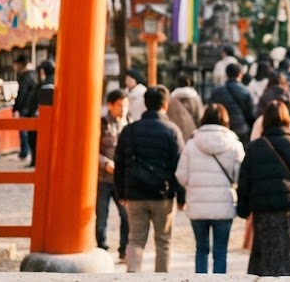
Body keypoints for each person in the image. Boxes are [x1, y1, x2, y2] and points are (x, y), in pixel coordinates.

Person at [236, 100, 290, 276]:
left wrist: (243, 208)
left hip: (262, 211)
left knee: (264, 259)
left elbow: (244, 181)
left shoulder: (255, 147)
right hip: (287, 209)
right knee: (288, 260)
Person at [114, 85, 185, 273]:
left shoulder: (129, 131)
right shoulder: (172, 131)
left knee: (136, 239)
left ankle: (133, 276)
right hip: (163, 193)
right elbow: (179, 167)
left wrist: (120, 192)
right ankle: (161, 278)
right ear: (165, 105)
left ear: (145, 104)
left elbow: (119, 164)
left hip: (135, 192)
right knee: (163, 241)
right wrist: (181, 197)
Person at [175, 104, 246, 274]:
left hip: (197, 205)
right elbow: (240, 178)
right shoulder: (234, 145)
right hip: (224, 205)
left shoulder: (191, 144)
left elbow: (181, 176)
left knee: (201, 250)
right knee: (221, 252)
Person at [97, 89, 130, 262]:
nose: (123, 109)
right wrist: (104, 163)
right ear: (110, 105)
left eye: (125, 105)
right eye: (119, 105)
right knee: (101, 216)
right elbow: (92, 149)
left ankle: (124, 249)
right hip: (103, 177)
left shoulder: (129, 123)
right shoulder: (101, 124)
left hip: (122, 179)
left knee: (126, 215)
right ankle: (102, 249)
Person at [210, 63, 255, 143]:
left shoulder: (217, 91)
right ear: (240, 74)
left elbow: (211, 110)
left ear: (226, 74)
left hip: (222, 128)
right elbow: (250, 114)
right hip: (241, 129)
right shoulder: (245, 91)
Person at [24, 59, 52, 167]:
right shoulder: (50, 82)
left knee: (34, 140)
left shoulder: (45, 85)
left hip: (39, 115)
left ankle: (36, 161)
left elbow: (36, 100)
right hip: (41, 115)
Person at [11, 55, 37, 161]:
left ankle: (24, 152)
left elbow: (22, 93)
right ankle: (28, 152)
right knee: (28, 130)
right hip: (32, 106)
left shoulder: (25, 76)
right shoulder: (34, 74)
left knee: (23, 130)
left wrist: (16, 107)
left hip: (25, 107)